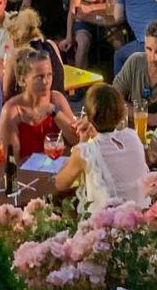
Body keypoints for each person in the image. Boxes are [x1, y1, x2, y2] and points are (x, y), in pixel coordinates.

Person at [53, 83, 148, 212]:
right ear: (121, 113)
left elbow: (60, 183)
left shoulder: (85, 152)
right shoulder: (133, 137)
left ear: (88, 114)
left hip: (106, 226)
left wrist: (82, 141)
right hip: (140, 220)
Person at [0, 47, 77, 162]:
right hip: (27, 176)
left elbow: (75, 140)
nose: (46, 82)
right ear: (22, 80)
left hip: (58, 171)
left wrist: (54, 111)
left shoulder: (57, 99)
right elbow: (12, 161)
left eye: (49, 75)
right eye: (39, 77)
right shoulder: (12, 111)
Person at [113, 18, 157, 123]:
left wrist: (128, 110)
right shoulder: (135, 61)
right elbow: (113, 100)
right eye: (149, 49)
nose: (154, 57)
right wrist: (145, 116)